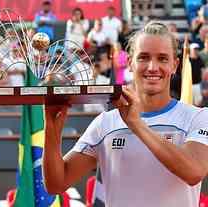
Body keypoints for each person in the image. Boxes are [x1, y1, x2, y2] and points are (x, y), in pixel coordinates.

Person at [42, 21, 208, 207]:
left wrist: (136, 124)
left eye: (162, 58)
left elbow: (194, 172)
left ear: (174, 65)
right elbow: (56, 184)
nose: (152, 67)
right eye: (143, 57)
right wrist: (51, 126)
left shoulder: (198, 117)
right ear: (130, 63)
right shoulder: (106, 123)